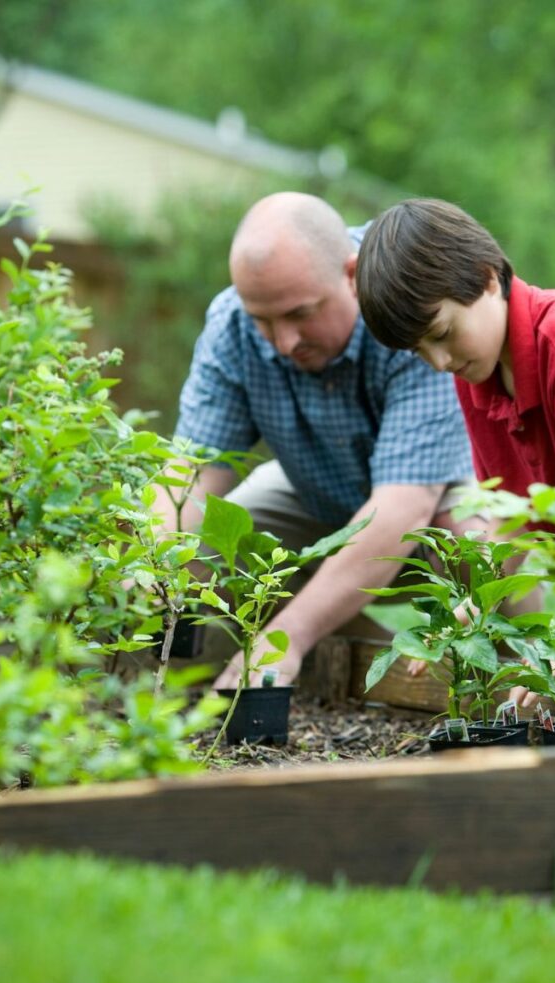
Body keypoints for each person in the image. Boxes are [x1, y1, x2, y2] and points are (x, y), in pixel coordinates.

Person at [158, 192, 476, 689]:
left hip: (434, 499)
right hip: (315, 496)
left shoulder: (405, 300)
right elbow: (189, 475)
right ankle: (358, 664)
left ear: (351, 275)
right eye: (264, 320)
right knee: (219, 539)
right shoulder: (232, 325)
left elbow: (403, 508)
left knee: (477, 540)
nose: (283, 342)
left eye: (300, 314)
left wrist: (286, 636)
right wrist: (153, 562)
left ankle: (513, 677)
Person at [354, 196, 555, 680]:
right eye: (418, 352)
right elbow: (515, 520)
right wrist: (472, 612)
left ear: (486, 277)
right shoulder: (475, 376)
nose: (438, 361)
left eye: (441, 333)